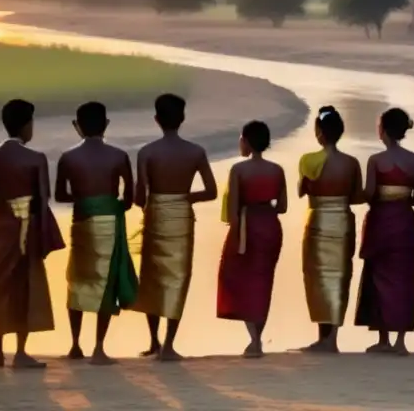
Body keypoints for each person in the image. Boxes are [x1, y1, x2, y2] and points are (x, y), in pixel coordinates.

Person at [0, 99, 63, 369]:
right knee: (25, 285)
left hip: (1, 224)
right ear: (27, 125)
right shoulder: (36, 158)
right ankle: (21, 352)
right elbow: (42, 199)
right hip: (27, 226)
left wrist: (5, 205)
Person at [133, 93, 217, 361]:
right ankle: (168, 344)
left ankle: (154, 342)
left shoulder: (147, 152)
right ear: (182, 119)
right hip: (181, 216)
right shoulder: (195, 152)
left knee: (152, 279)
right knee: (178, 278)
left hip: (156, 215)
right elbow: (211, 191)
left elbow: (139, 198)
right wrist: (184, 197)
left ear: (156, 119)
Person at [55, 101, 138, 365]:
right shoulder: (118, 155)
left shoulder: (68, 157)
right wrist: (110, 204)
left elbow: (59, 195)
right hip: (110, 220)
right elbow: (129, 198)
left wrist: (83, 198)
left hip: (81, 219)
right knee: (106, 282)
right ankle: (99, 347)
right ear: (107, 125)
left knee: (78, 280)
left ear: (77, 126)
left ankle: (75, 345)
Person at [354, 108, 414, 357]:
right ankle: (401, 341)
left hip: (381, 221)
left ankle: (383, 338)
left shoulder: (376, 161)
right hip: (404, 221)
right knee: (405, 278)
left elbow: (370, 194)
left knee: (379, 277)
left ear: (383, 130)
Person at [216, 120, 287, 357]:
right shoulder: (277, 170)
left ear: (246, 141)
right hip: (270, 226)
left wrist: (237, 235)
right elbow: (283, 207)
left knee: (241, 280)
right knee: (263, 281)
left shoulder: (239, 170)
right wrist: (264, 209)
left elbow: (234, 209)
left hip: (246, 226)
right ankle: (256, 339)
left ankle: (255, 340)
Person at [298, 105, 363, 353]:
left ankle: (323, 337)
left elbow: (302, 190)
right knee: (340, 278)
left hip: (317, 220)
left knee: (317, 279)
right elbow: (357, 196)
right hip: (343, 221)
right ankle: (331, 337)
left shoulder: (309, 161)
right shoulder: (351, 163)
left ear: (319, 133)